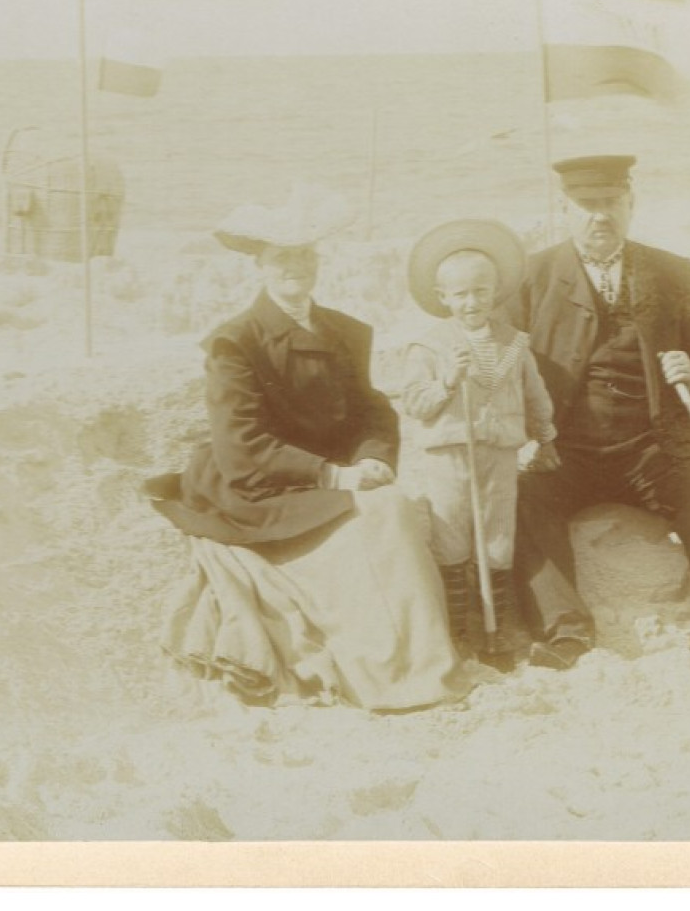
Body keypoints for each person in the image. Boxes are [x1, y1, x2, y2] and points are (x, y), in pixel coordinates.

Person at [145, 189, 461, 711]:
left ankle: (425, 670)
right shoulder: (236, 342)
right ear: (261, 266)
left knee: (390, 509)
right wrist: (334, 476)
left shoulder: (345, 330)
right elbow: (241, 447)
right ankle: (393, 678)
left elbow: (372, 410)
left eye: (304, 255)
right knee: (383, 517)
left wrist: (372, 457)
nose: (295, 266)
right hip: (259, 486)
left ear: (317, 260)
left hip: (333, 476)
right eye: (282, 257)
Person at [504, 155, 690, 675]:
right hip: (565, 445)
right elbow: (501, 368)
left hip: (655, 444)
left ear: (631, 204)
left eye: (611, 203)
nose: (600, 216)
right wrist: (525, 430)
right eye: (587, 205)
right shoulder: (531, 277)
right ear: (564, 209)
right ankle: (566, 629)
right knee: (523, 495)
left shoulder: (672, 272)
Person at [400, 219, 559, 671]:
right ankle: (459, 630)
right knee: (452, 535)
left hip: (500, 452)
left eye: (481, 292)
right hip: (449, 453)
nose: (472, 302)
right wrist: (448, 382)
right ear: (443, 296)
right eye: (461, 294)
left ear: (496, 293)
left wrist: (545, 437)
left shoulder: (514, 344)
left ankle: (499, 628)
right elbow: (415, 403)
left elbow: (535, 395)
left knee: (497, 536)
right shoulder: (428, 347)